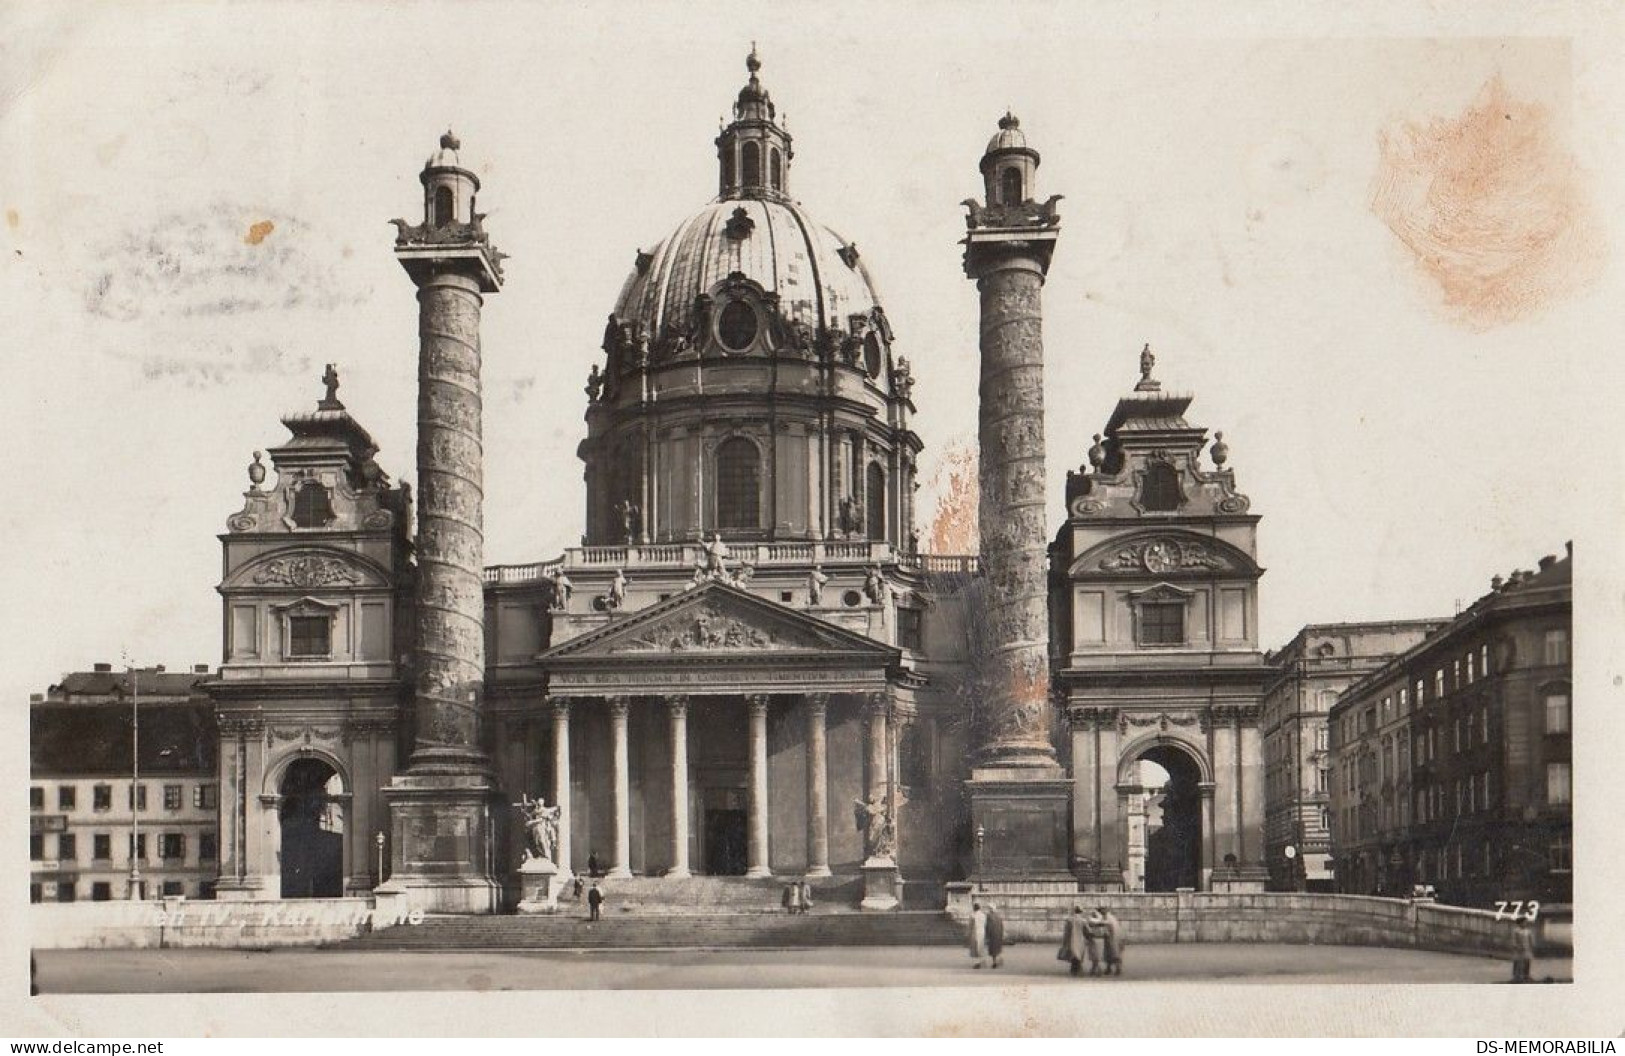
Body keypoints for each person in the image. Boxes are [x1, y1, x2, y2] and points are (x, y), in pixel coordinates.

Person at [1057, 905, 1088, 976]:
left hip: (1071, 939)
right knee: (1079, 954)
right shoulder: (1083, 920)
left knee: (1073, 953)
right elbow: (1087, 930)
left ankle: (1074, 969)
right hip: (1080, 939)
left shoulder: (1069, 920)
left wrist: (1065, 940)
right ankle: (1079, 969)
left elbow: (1066, 931)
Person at [1100, 906, 1125, 976]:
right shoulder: (1108, 917)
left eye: (1102, 910)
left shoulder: (1108, 918)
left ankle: (1117, 969)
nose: (1101, 912)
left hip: (1113, 938)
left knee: (1114, 954)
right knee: (1109, 954)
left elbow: (1107, 926)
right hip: (1112, 938)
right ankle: (1109, 968)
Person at [1083, 908, 1107, 975]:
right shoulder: (1101, 922)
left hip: (1094, 939)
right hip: (1099, 939)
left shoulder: (1092, 922)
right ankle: (1095, 969)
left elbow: (1088, 927)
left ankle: (1096, 969)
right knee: (1097, 955)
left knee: (1095, 955)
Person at [1512, 919, 1536, 983]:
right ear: (1519, 923)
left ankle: (1526, 975)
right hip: (1519, 950)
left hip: (1527, 949)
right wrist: (1516, 947)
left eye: (1526, 922)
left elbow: (1531, 940)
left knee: (1527, 962)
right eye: (1523, 922)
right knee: (1518, 963)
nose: (1525, 924)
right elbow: (1514, 940)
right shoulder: (1516, 931)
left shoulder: (1528, 931)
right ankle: (1516, 977)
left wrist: (1532, 946)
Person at [967, 901, 989, 969]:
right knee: (981, 947)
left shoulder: (973, 915)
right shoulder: (983, 915)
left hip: (975, 932)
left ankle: (977, 963)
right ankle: (982, 960)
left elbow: (970, 925)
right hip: (982, 932)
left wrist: (968, 933)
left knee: (975, 948)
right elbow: (985, 924)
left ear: (974, 908)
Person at [985, 901, 1006, 969]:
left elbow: (987, 926)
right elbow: (1001, 925)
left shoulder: (989, 916)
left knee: (993, 949)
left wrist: (987, 934)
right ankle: (998, 960)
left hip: (992, 934)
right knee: (997, 948)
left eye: (989, 908)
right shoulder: (998, 916)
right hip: (998, 933)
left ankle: (994, 962)